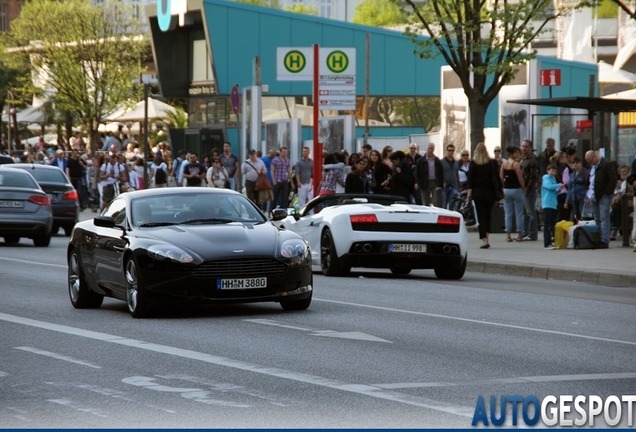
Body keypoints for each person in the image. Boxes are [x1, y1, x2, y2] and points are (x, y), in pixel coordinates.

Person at [466, 142, 502, 249]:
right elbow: (497, 178)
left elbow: (471, 180)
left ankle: (484, 241)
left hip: (478, 192)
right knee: (488, 215)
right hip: (489, 192)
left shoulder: (474, 163)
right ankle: (487, 236)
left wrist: (469, 194)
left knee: (481, 216)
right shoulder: (492, 162)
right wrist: (500, 191)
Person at [584, 150, 618, 248]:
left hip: (603, 195)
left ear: (595, 156)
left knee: (604, 218)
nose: (590, 163)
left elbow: (613, 179)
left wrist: (607, 192)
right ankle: (598, 238)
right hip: (594, 195)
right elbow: (591, 180)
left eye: (590, 161)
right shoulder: (593, 167)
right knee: (597, 218)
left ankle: (604, 240)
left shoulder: (606, 164)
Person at [501, 145, 526, 242]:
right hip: (516, 189)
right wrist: (524, 188)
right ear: (512, 153)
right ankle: (520, 234)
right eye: (516, 152)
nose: (518, 154)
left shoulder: (504, 164)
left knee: (508, 213)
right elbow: (520, 178)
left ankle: (508, 235)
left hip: (506, 190)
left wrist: (502, 188)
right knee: (519, 213)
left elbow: (501, 177)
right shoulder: (516, 164)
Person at [520, 139, 540, 241]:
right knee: (525, 212)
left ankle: (532, 234)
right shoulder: (524, 159)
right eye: (523, 146)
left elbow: (533, 176)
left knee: (531, 212)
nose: (524, 148)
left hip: (529, 189)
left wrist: (528, 189)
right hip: (524, 189)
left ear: (530, 148)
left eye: (526, 146)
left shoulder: (532, 160)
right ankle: (525, 232)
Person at [541, 164, 563, 250]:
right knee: (547, 224)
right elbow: (549, 186)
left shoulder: (554, 179)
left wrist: (558, 190)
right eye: (551, 170)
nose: (553, 172)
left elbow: (554, 191)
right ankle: (547, 243)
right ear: (548, 170)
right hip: (547, 204)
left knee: (552, 223)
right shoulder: (546, 177)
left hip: (553, 204)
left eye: (554, 171)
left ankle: (551, 241)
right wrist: (559, 185)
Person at [564, 156, 588, 222]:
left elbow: (589, 185)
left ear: (581, 163)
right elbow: (570, 189)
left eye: (577, 162)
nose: (575, 164)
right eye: (573, 163)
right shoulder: (572, 174)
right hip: (574, 197)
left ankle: (583, 228)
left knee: (582, 213)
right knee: (576, 214)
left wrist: (587, 197)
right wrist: (567, 201)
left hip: (582, 197)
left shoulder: (585, 172)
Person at [440, 143, 460, 209]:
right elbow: (439, 174)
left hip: (454, 185)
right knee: (444, 204)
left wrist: (459, 185)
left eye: (452, 151)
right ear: (446, 151)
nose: (451, 152)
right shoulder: (442, 162)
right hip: (445, 185)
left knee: (453, 204)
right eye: (449, 150)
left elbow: (457, 174)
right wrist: (442, 181)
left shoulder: (456, 162)